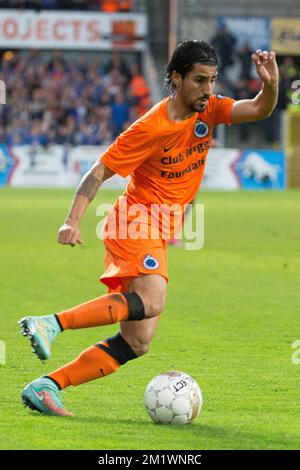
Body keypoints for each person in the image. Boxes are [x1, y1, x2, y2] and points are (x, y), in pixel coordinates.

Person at [19, 40, 279, 416]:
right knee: (152, 301)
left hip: (156, 229)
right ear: (176, 78)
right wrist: (71, 221)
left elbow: (258, 108)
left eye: (212, 80)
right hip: (134, 221)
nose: (208, 89)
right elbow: (98, 171)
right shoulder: (150, 127)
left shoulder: (212, 110)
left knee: (137, 342)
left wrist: (269, 85)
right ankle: (50, 324)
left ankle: (46, 386)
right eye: (199, 80)